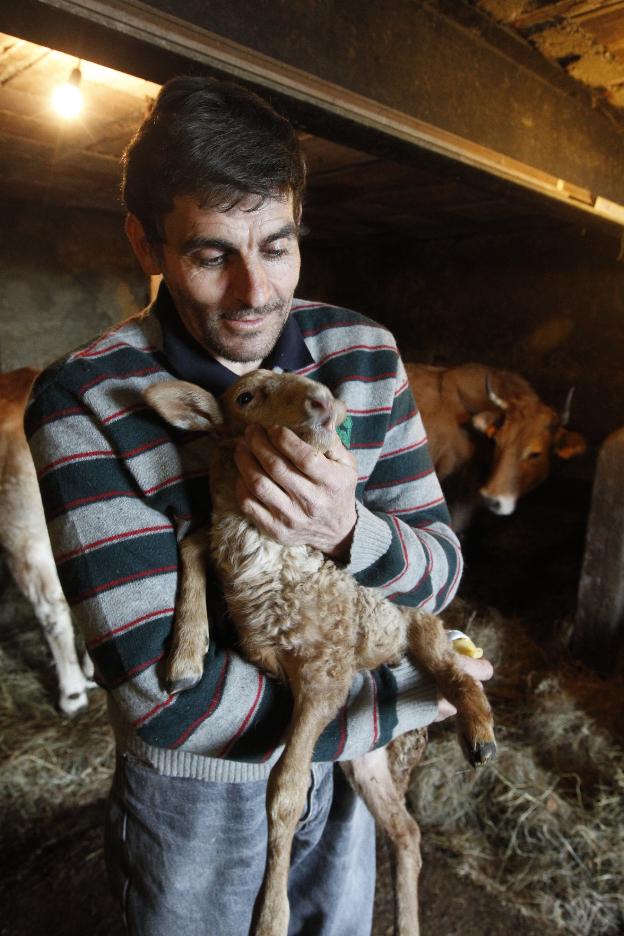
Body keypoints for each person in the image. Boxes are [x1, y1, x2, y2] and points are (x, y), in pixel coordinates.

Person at [26, 76, 493, 935]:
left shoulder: (363, 355)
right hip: (200, 792)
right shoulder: (84, 399)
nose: (254, 292)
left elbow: (438, 573)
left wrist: (350, 529)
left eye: (277, 246)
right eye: (211, 254)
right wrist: (415, 697)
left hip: (338, 775)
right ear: (147, 242)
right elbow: (163, 695)